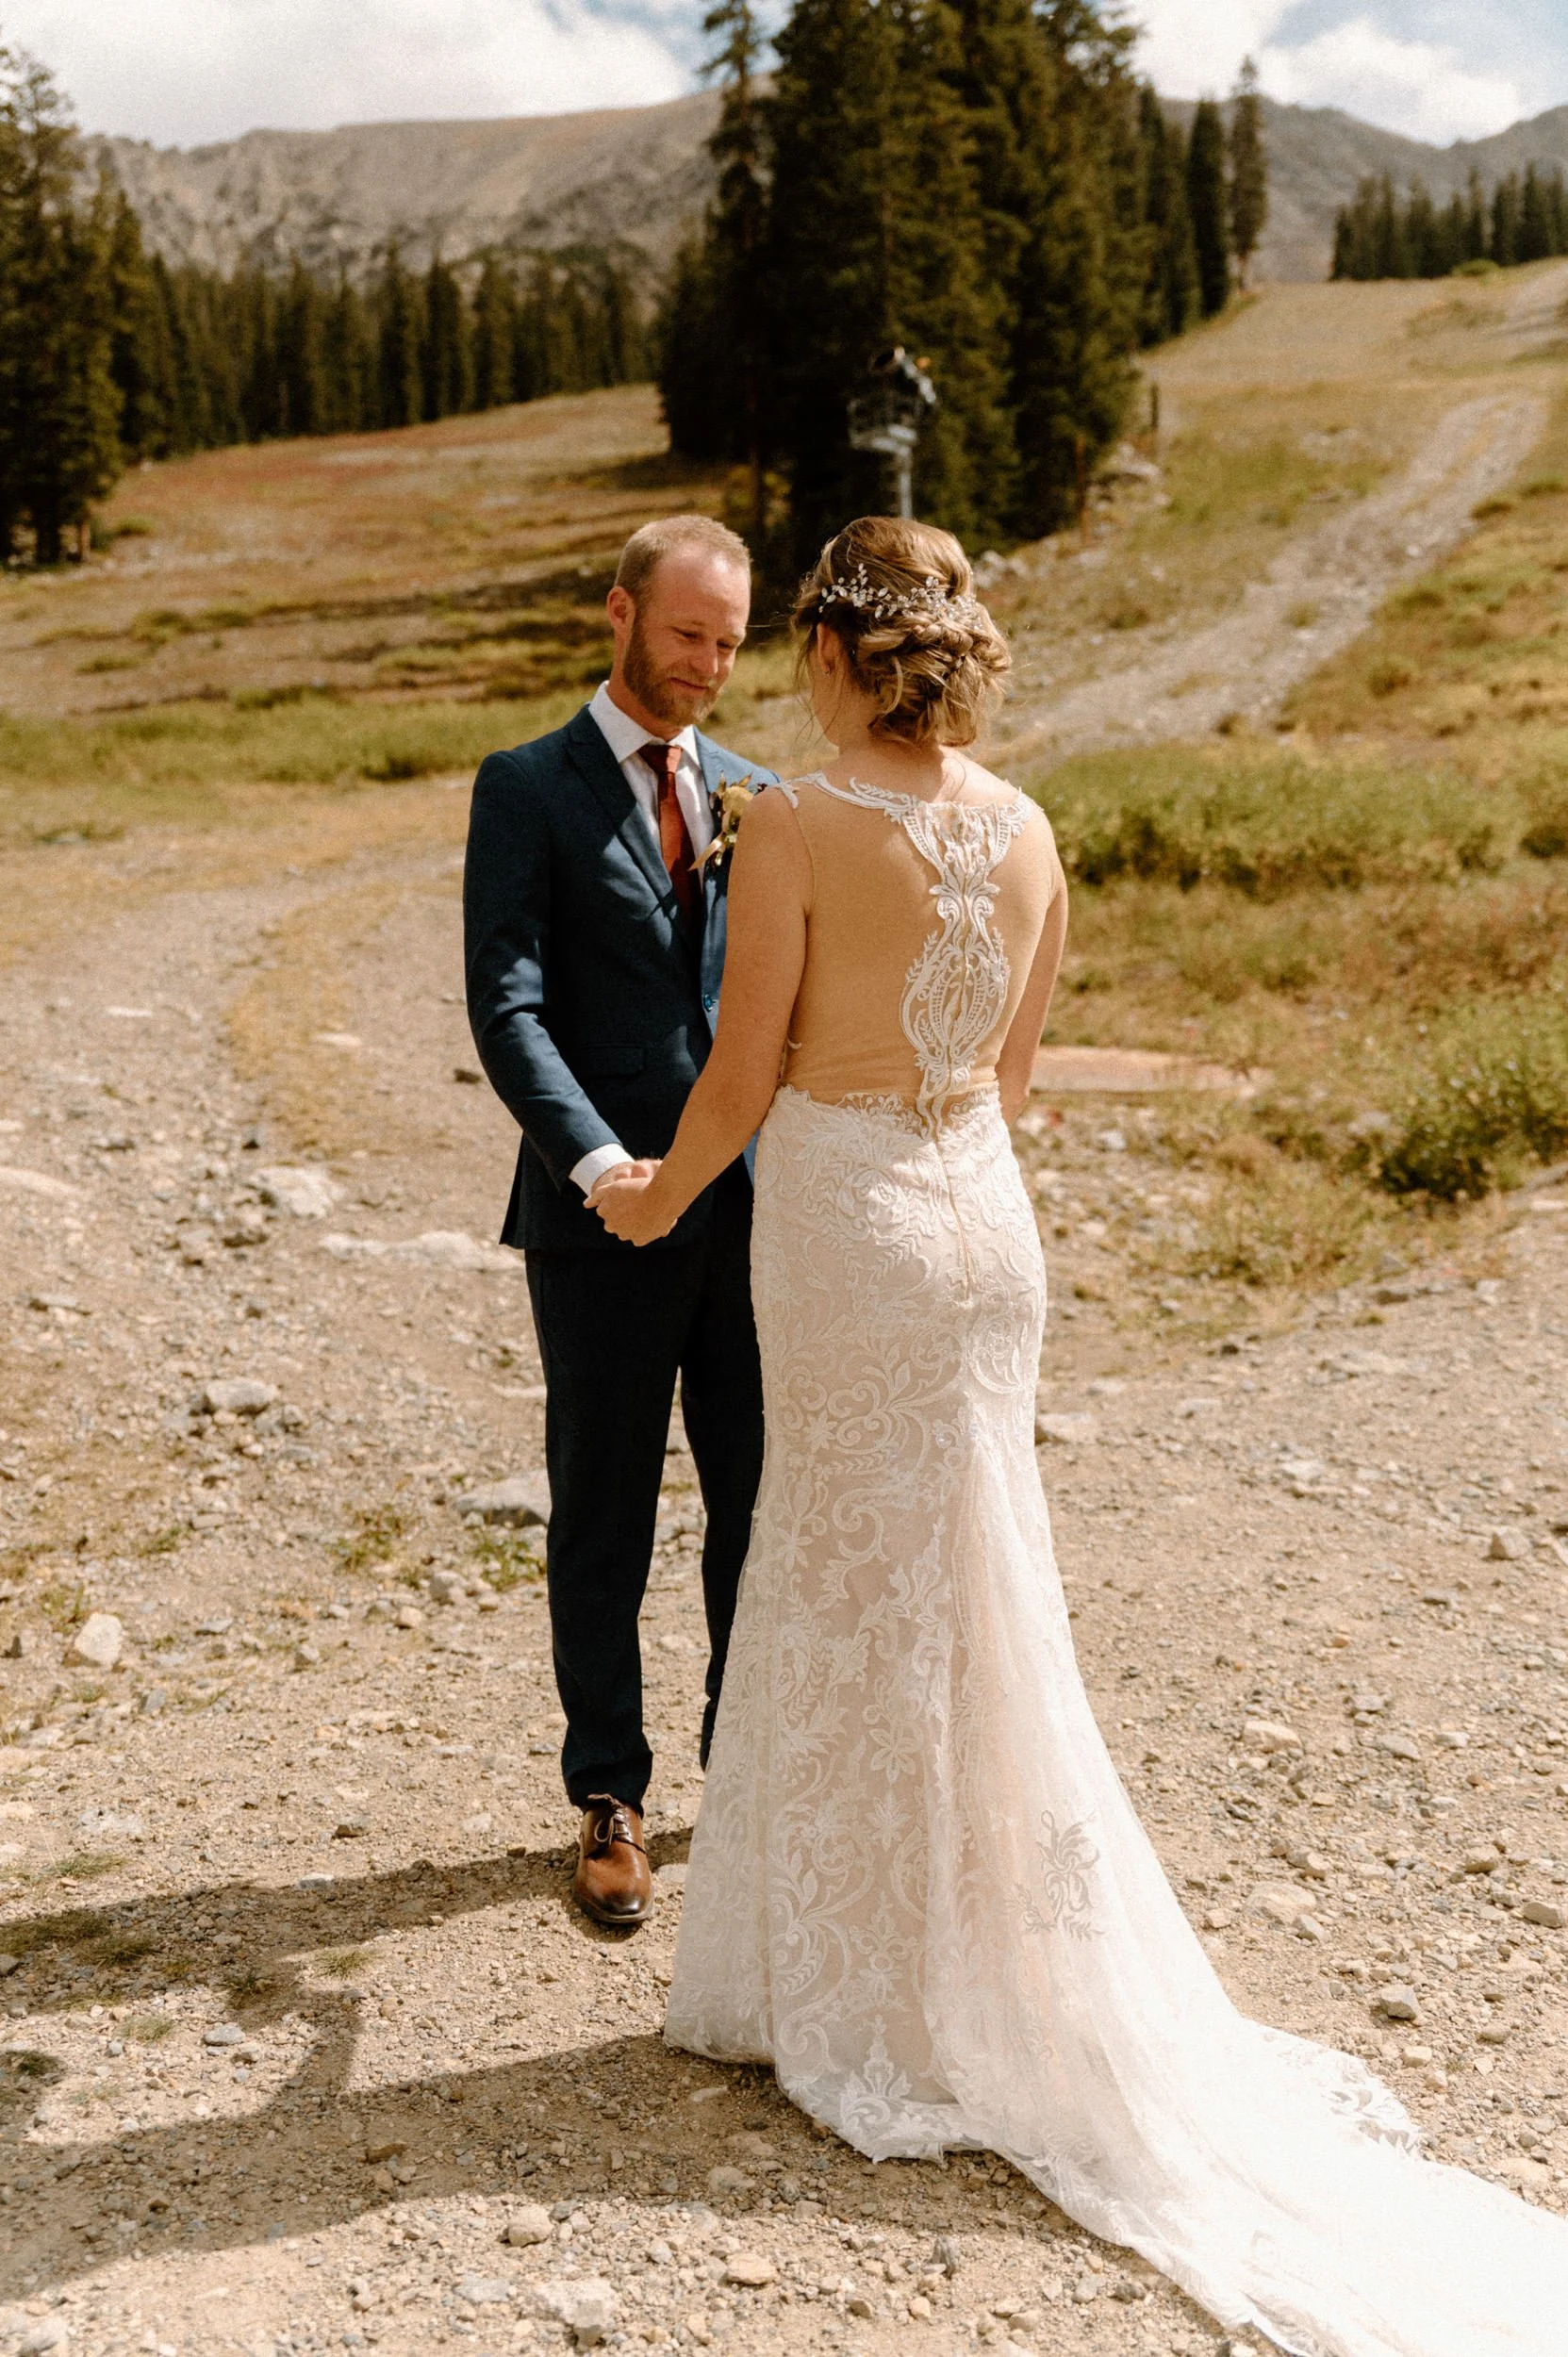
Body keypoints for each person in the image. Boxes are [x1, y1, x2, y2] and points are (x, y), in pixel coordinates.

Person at [594, 515, 1568, 2353]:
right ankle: (982, 1946)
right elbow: (1013, 1075)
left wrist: (652, 1199)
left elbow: (743, 1068)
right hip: (984, 1228)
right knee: (978, 1588)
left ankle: (860, 1993)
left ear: (834, 650)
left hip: (851, 1228)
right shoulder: (1028, 829)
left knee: (851, 1579)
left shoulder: (790, 821)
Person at [464, 514, 774, 1932]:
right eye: (687, 632)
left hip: (754, 1215)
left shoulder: (762, 795)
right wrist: (597, 1166)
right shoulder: (525, 786)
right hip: (598, 1222)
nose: (707, 663)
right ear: (621, 612)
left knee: (756, 1505)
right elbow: (508, 1006)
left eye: (730, 641)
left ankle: (744, 1772)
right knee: (603, 1507)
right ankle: (609, 1793)